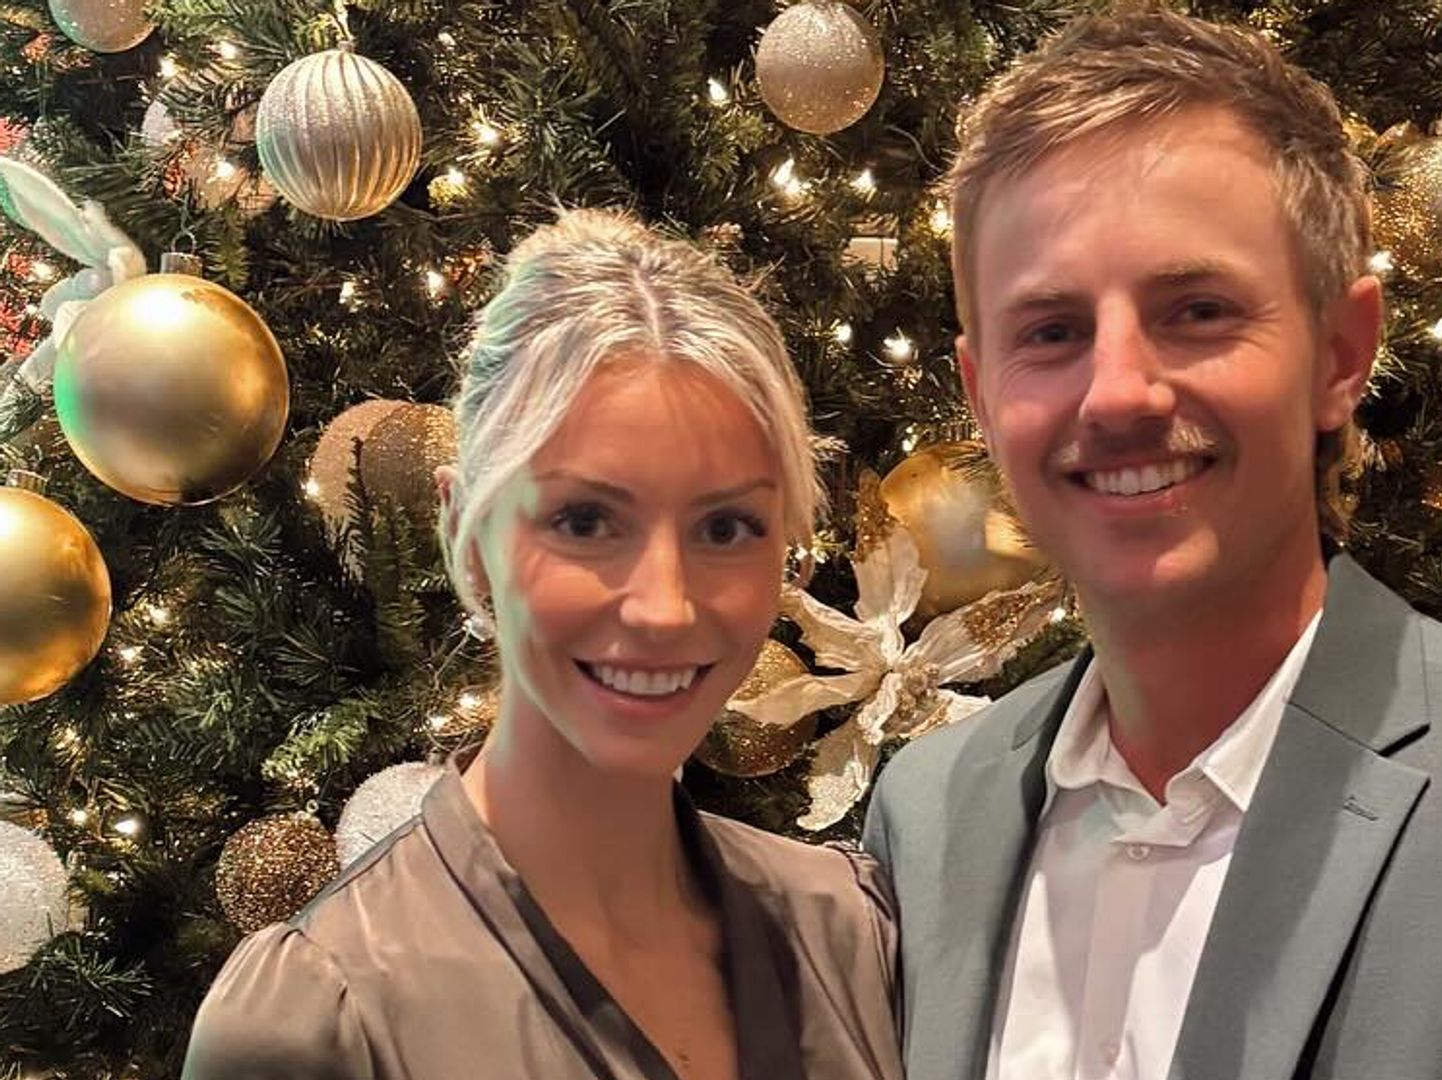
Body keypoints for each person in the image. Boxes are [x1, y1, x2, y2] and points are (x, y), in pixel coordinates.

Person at [861, 11, 1442, 1080]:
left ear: (1341, 354)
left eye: (1198, 310)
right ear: (983, 396)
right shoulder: (929, 813)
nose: (1120, 389)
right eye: (1050, 331)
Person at [184, 209, 903, 1080]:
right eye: (586, 520)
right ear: (465, 531)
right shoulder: (320, 1018)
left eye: (727, 526)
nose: (665, 608)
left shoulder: (847, 931)